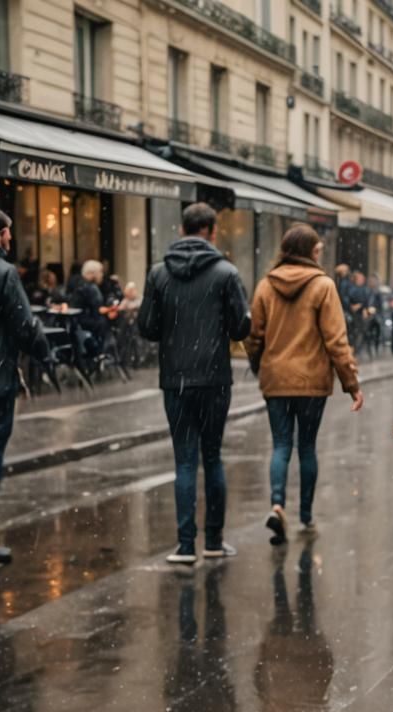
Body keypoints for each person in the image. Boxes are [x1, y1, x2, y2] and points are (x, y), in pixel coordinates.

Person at [139, 201, 251, 564]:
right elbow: (239, 327)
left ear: (182, 229)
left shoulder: (159, 273)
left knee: (184, 462)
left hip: (175, 379)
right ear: (212, 231)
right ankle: (214, 541)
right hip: (215, 378)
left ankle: (185, 545)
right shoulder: (225, 272)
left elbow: (148, 328)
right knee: (213, 457)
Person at [246, 224, 363, 544]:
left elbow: (253, 335)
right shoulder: (323, 286)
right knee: (307, 446)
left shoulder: (265, 286)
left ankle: (277, 503)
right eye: (318, 250)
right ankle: (307, 514)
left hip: (276, 379)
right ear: (311, 252)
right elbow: (336, 341)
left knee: (281, 445)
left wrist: (260, 366)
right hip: (312, 380)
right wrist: (351, 383)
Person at [0, 207, 50, 568]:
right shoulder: (3, 273)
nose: (11, 238)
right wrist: (44, 351)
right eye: (8, 232)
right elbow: (24, 325)